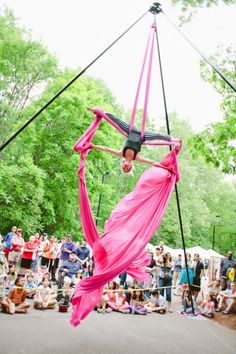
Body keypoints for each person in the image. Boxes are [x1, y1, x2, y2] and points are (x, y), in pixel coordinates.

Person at [91, 143, 175, 174]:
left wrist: (93, 146)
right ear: (130, 166)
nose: (125, 167)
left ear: (123, 163)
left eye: (123, 167)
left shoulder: (121, 153)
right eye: (127, 169)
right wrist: (166, 168)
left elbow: (106, 149)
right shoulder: (137, 158)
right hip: (140, 137)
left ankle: (101, 112)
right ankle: (174, 142)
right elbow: (152, 162)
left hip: (130, 132)